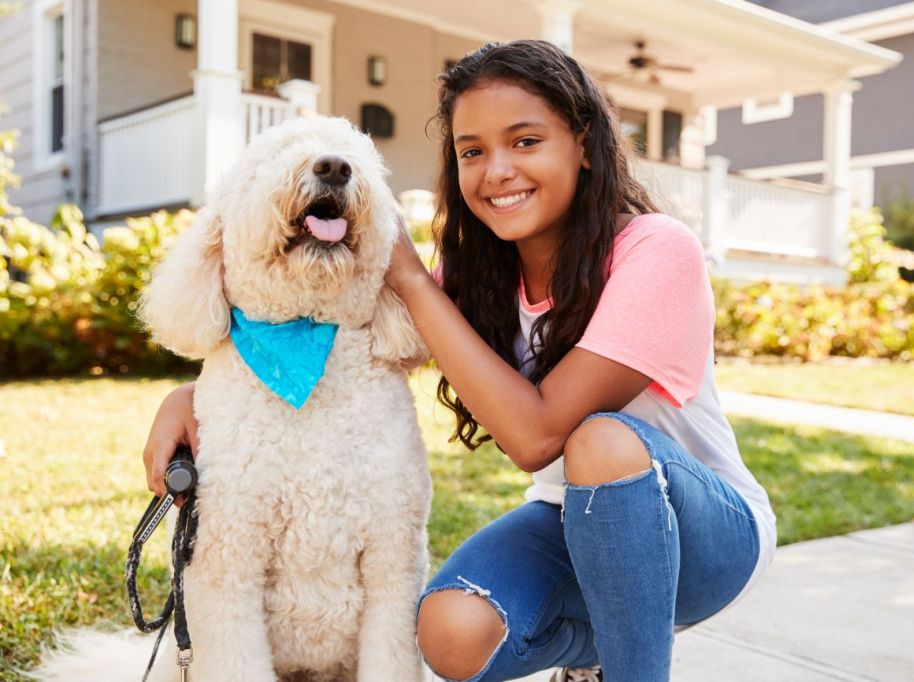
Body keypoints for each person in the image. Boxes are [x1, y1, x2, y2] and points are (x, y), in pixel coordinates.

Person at [143, 40, 775, 682]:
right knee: (449, 632)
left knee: (601, 442)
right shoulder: (477, 277)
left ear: (584, 144)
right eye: (472, 151)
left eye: (525, 141)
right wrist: (188, 400)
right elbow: (345, 342)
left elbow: (538, 435)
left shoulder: (656, 249)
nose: (497, 170)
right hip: (569, 524)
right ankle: (590, 655)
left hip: (703, 537)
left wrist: (415, 282)